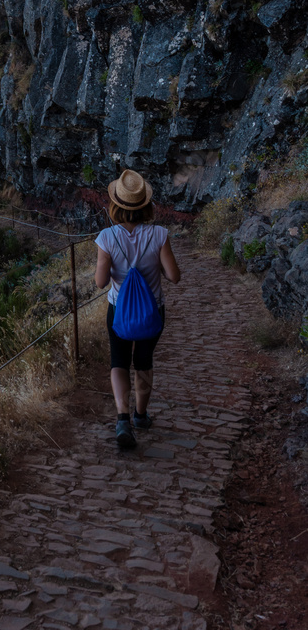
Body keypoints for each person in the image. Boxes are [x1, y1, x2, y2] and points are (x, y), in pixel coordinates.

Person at [94, 169, 181, 449]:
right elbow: (174, 276)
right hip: (151, 312)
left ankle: (122, 420)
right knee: (143, 361)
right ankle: (141, 416)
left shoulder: (106, 238)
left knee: (118, 361)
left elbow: (99, 282)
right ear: (146, 205)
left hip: (118, 310)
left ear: (115, 205)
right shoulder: (159, 235)